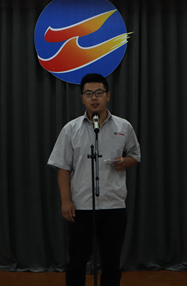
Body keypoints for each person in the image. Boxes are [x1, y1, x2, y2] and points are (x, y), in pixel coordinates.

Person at [47, 73, 141, 286]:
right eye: (88, 94)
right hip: (81, 205)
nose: (94, 98)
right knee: (77, 262)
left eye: (99, 93)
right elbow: (63, 167)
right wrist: (66, 201)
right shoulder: (71, 129)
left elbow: (135, 156)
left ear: (108, 95)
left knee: (111, 262)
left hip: (113, 204)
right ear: (82, 98)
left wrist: (124, 162)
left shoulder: (123, 127)